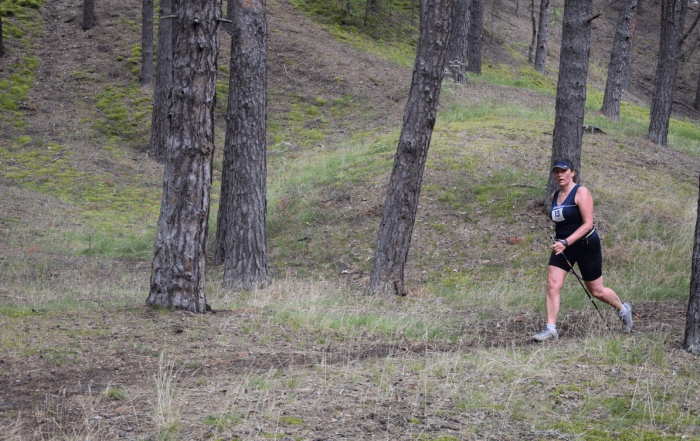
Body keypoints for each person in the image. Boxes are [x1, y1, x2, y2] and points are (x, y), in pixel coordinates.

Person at [533, 160, 633, 341]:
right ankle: (550, 329)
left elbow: (588, 225)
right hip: (563, 247)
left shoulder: (581, 192)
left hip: (586, 245)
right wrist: (560, 239)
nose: (560, 175)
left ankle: (623, 309)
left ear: (572, 172)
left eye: (564, 171)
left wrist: (566, 241)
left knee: (597, 291)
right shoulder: (555, 196)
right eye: (556, 171)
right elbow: (562, 221)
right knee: (552, 284)